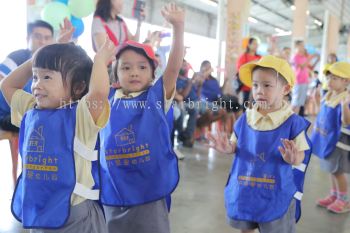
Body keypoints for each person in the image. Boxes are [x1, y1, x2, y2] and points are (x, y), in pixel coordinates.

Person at [0, 40, 116, 231]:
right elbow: (7, 86)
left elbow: (99, 92)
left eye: (46, 77)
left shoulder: (82, 115)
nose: (36, 84)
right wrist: (36, 59)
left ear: (78, 88)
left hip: (76, 217)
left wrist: (100, 61)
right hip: (40, 210)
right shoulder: (31, 110)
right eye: (35, 77)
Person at [98, 3, 184, 233]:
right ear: (116, 74)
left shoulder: (155, 97)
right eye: (126, 67)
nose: (134, 72)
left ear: (152, 73)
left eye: (142, 67)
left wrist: (178, 27)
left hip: (149, 191)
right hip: (114, 189)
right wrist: (99, 58)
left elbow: (174, 68)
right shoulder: (107, 98)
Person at [207, 55, 311, 233]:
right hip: (245, 188)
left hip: (276, 193)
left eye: (267, 85)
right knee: (245, 226)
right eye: (255, 85)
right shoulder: (246, 118)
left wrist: (295, 158)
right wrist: (227, 148)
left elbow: (300, 153)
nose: (259, 91)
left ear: (285, 89)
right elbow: (235, 144)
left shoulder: (292, 122)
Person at [0, 19, 73, 185]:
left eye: (48, 38)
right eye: (38, 36)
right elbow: (3, 82)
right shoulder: (19, 56)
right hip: (8, 112)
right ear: (28, 38)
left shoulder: (53, 60)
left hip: (36, 109)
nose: (43, 41)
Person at [311, 62, 350, 213]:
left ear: (346, 81)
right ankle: (334, 195)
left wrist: (345, 106)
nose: (329, 81)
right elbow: (322, 112)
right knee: (331, 169)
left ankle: (344, 200)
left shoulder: (346, 98)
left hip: (337, 142)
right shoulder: (329, 94)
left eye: (335, 78)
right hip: (326, 139)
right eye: (329, 77)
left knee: (337, 171)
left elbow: (347, 121)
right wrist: (315, 99)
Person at [236, 37, 261, 105]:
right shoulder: (243, 56)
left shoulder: (260, 57)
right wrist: (251, 63)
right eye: (254, 44)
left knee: (256, 104)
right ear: (249, 45)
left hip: (258, 85)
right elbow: (240, 69)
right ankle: (245, 115)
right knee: (246, 103)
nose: (256, 45)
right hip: (246, 85)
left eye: (257, 44)